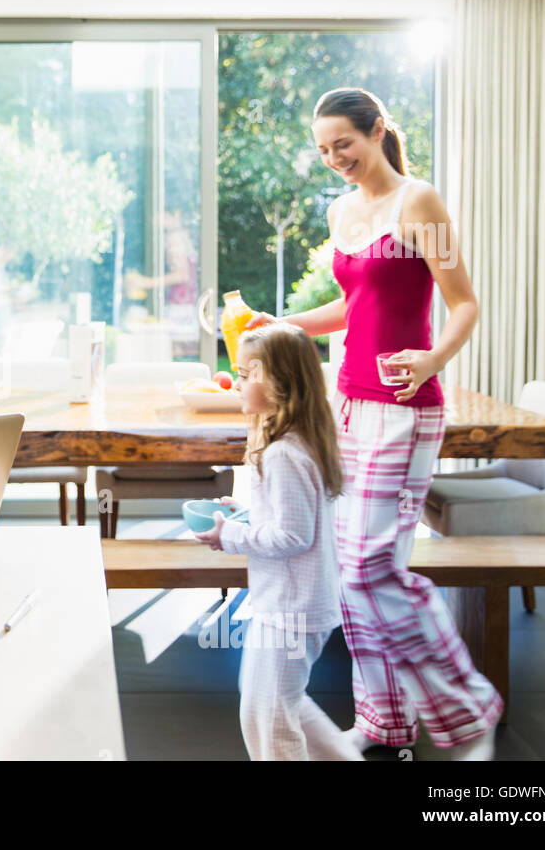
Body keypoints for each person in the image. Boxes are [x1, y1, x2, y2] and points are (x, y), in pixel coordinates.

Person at [247, 87, 500, 759]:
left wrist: (431, 358)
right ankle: (385, 720)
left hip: (406, 410)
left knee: (370, 570)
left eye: (345, 145)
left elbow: (466, 303)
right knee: (346, 567)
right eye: (324, 149)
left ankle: (467, 700)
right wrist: (281, 322)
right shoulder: (340, 210)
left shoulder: (419, 201)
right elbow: (353, 303)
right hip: (348, 404)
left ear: (378, 131)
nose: (335, 159)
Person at [194, 324, 363, 761]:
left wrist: (228, 534)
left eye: (249, 374)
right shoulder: (298, 442)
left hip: (291, 610)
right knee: (282, 704)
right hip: (296, 604)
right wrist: (247, 513)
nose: (238, 382)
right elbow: (290, 518)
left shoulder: (281, 454)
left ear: (282, 386)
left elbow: (292, 535)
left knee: (267, 717)